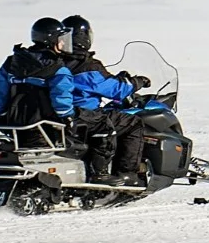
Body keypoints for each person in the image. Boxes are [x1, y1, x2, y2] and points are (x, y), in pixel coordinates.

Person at [59, 15, 149, 186]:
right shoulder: (86, 66)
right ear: (83, 38)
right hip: (85, 114)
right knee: (133, 123)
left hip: (63, 115)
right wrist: (138, 82)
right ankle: (127, 173)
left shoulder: (56, 61)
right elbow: (116, 90)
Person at [0, 17, 78, 127]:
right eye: (61, 39)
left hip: (14, 124)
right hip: (47, 126)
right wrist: (67, 117)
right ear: (52, 40)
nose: (63, 43)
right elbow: (61, 95)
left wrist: (0, 113)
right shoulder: (57, 68)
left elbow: (0, 91)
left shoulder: (12, 62)